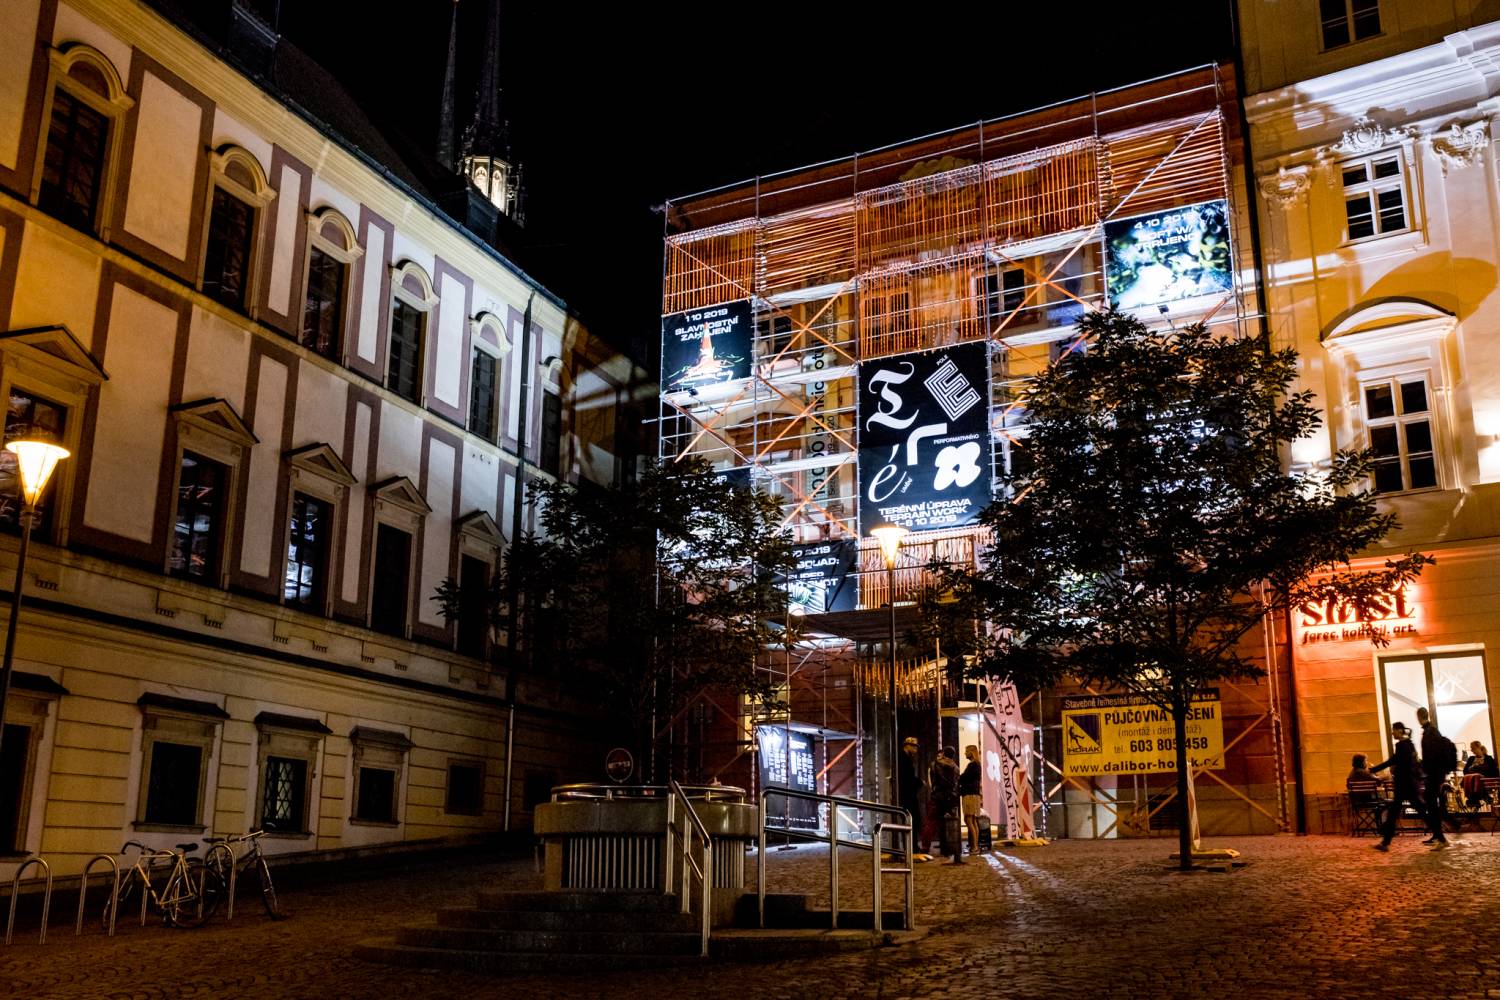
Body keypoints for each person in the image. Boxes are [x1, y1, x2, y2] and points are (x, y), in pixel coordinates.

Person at [1370, 721, 1428, 850]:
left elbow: (1394, 761)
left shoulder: (1403, 745)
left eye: (1393, 730)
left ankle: (1440, 833)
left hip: (1405, 785)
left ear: (1399, 730)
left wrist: (1374, 770)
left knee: (1416, 811)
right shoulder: (1408, 744)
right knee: (1398, 812)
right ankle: (1385, 842)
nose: (1392, 733)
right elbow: (1397, 761)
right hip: (1408, 784)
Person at [1415, 706, 1452, 846]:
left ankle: (1440, 836)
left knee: (1431, 804)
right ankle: (1438, 834)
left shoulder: (1429, 732)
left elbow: (1432, 755)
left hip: (1434, 774)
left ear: (1419, 717)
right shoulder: (1432, 731)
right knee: (1431, 803)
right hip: (1435, 774)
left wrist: (1423, 766)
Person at [928, 747, 961, 863]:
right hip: (950, 798)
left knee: (931, 822)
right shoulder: (955, 767)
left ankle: (925, 847)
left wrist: (934, 790)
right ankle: (950, 849)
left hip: (937, 796)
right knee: (949, 824)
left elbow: (933, 779)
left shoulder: (935, 764)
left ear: (943, 754)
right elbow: (956, 782)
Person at [899, 736, 925, 850]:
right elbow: (907, 777)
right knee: (911, 819)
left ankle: (911, 845)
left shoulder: (905, 758)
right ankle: (911, 846)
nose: (916, 749)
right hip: (907, 794)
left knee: (911, 819)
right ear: (907, 746)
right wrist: (920, 782)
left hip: (907, 793)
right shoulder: (904, 759)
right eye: (914, 746)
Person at [960, 744, 983, 856]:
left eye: (966, 751)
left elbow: (963, 778)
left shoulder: (973, 765)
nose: (965, 753)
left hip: (969, 794)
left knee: (968, 819)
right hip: (975, 794)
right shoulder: (977, 764)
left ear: (972, 752)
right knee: (973, 820)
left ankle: (974, 847)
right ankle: (975, 846)